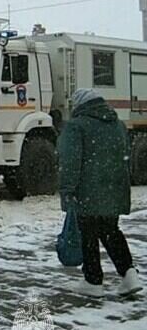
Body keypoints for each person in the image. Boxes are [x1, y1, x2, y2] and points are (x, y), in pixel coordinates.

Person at [59, 88, 142, 297]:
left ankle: (93, 281)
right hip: (114, 187)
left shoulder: (77, 127)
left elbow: (70, 162)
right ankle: (129, 274)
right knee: (110, 230)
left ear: (79, 106)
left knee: (88, 232)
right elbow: (126, 156)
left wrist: (67, 191)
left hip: (88, 190)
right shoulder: (117, 124)